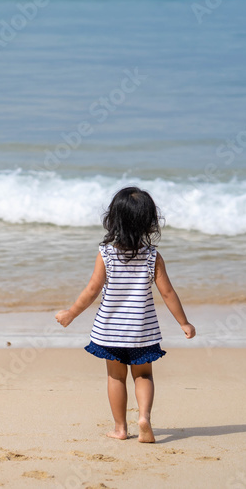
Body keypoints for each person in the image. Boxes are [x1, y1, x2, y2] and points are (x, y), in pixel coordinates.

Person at [55, 187, 196, 443]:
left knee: (115, 377)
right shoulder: (152, 256)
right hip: (142, 332)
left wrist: (70, 314)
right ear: (149, 222)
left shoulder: (106, 254)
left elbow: (91, 290)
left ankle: (120, 429)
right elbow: (168, 293)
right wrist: (183, 323)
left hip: (110, 331)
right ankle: (144, 418)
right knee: (143, 375)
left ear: (114, 219)